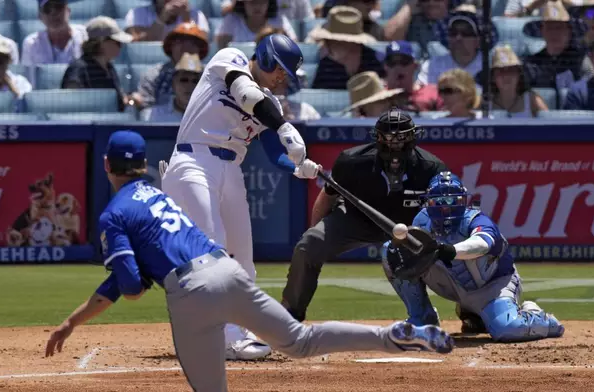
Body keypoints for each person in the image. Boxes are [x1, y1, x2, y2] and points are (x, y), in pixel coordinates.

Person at [44, 130, 455, 392]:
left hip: (190, 294)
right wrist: (76, 319)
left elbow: (129, 287)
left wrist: (76, 319)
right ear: (144, 167)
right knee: (300, 341)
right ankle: (391, 336)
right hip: (226, 269)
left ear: (106, 165)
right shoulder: (160, 197)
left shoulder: (114, 213)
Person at [158, 34, 320, 360]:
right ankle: (223, 338)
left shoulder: (270, 103)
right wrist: (285, 126)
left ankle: (235, 330)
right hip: (193, 161)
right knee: (213, 249)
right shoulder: (229, 59)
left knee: (243, 259)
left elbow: (276, 153)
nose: (282, 77)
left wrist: (298, 167)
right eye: (280, 69)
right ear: (266, 57)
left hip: (231, 169)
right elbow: (245, 94)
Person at [281, 109, 448, 323]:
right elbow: (328, 196)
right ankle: (290, 315)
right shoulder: (352, 161)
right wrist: (315, 235)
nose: (393, 143)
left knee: (452, 249)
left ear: (413, 137)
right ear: (376, 137)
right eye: (387, 137)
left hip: (410, 228)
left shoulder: (431, 167)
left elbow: (443, 212)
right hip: (356, 220)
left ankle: (459, 311)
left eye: (401, 138)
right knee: (309, 244)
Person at [380, 171, 565, 341]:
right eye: (439, 201)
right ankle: (422, 316)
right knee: (394, 252)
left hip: (492, 286)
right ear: (428, 202)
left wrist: (451, 250)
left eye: (452, 201)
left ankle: (541, 319)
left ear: (464, 201)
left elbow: (482, 244)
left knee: (507, 328)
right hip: (453, 284)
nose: (446, 207)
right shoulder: (422, 221)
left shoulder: (477, 219)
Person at [522, 1, 592, 102]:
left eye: (559, 27)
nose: (554, 33)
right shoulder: (531, 64)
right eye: (549, 27)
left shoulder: (582, 61)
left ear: (569, 31)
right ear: (542, 31)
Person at [61, 17, 133, 112]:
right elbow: (71, 102)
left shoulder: (109, 67)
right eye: (117, 42)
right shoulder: (79, 68)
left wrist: (130, 100)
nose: (120, 46)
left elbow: (116, 101)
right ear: (101, 42)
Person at [132, 22, 209, 110]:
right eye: (180, 42)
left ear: (201, 49)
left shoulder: (211, 75)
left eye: (193, 43)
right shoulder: (154, 76)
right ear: (170, 46)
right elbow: (146, 109)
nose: (186, 47)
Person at [308, 6, 384, 90]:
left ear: (348, 42)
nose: (325, 44)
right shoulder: (326, 65)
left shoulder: (378, 61)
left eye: (330, 40)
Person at [480, 45, 548, 117]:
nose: (506, 76)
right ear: (493, 77)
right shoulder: (484, 102)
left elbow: (550, 124)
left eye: (511, 70)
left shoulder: (532, 99)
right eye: (500, 71)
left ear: (519, 75)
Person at [21, 0, 88, 66]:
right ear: (40, 17)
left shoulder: (85, 36)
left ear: (68, 11)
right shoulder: (31, 44)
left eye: (58, 7)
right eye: (47, 10)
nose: (53, 13)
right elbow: (28, 75)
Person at [383, 41, 443, 114]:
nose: (398, 67)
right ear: (385, 67)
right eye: (392, 63)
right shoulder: (377, 96)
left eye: (404, 62)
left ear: (415, 66)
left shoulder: (432, 93)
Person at [141, 53, 203, 122]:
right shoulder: (154, 116)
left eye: (195, 81)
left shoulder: (210, 115)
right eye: (184, 80)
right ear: (173, 84)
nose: (189, 85)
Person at [215, 0, 298, 49]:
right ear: (243, 3)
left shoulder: (279, 20)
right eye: (253, 2)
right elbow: (221, 48)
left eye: (262, 1)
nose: (257, 6)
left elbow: (293, 46)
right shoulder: (231, 19)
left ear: (269, 3)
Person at [125, 0, 210, 42]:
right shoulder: (137, 13)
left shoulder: (196, 15)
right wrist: (162, 19)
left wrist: (186, 19)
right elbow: (137, 46)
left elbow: (201, 45)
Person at [0, 39, 32, 111]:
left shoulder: (21, 82)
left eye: (0, 61)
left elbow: (25, 109)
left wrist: (12, 87)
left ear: (8, 62)